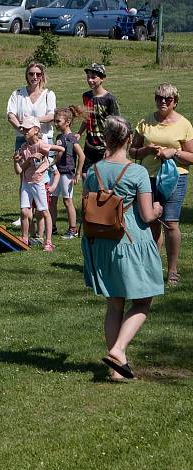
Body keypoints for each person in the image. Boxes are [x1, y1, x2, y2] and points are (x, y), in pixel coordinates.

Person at [82, 116, 164, 380]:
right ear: (129, 139)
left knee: (114, 305)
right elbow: (147, 215)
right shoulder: (137, 172)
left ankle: (116, 369)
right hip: (130, 243)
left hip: (100, 243)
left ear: (106, 140)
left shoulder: (93, 171)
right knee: (143, 300)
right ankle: (118, 350)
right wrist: (158, 209)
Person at [130, 83, 193, 287]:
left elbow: (191, 157)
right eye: (159, 98)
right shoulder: (146, 122)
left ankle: (172, 269)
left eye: (168, 99)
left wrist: (173, 153)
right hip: (148, 177)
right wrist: (146, 150)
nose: (163, 102)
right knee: (151, 222)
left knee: (171, 223)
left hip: (175, 178)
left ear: (175, 101)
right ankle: (153, 266)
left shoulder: (184, 124)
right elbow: (132, 151)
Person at [6, 62, 57, 233]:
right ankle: (25, 214)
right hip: (22, 139)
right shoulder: (17, 94)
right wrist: (22, 127)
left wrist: (34, 122)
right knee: (24, 178)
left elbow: (52, 115)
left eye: (38, 74)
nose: (34, 77)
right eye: (31, 74)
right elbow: (11, 114)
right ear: (26, 75)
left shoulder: (48, 94)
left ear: (42, 76)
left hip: (43, 140)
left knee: (41, 178)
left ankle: (42, 215)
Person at [13, 116, 65, 251]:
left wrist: (49, 163)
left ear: (36, 130)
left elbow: (61, 150)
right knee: (24, 211)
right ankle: (24, 238)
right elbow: (19, 171)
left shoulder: (42, 144)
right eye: (23, 129)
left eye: (27, 129)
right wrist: (17, 161)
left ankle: (48, 242)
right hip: (26, 182)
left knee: (44, 211)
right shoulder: (24, 147)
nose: (24, 131)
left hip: (39, 183)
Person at [48, 106, 87, 239]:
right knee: (52, 200)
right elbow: (57, 155)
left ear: (67, 122)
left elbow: (82, 156)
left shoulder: (71, 138)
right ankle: (51, 227)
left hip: (67, 173)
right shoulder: (59, 136)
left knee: (67, 201)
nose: (55, 123)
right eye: (55, 121)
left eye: (58, 121)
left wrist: (77, 173)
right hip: (57, 173)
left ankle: (73, 229)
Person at [77, 63, 119, 175]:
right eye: (88, 77)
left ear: (102, 79)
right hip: (89, 144)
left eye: (94, 77)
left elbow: (116, 125)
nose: (90, 80)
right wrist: (79, 133)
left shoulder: (110, 99)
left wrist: (110, 147)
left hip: (104, 146)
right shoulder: (86, 96)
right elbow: (87, 117)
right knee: (86, 174)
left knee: (103, 177)